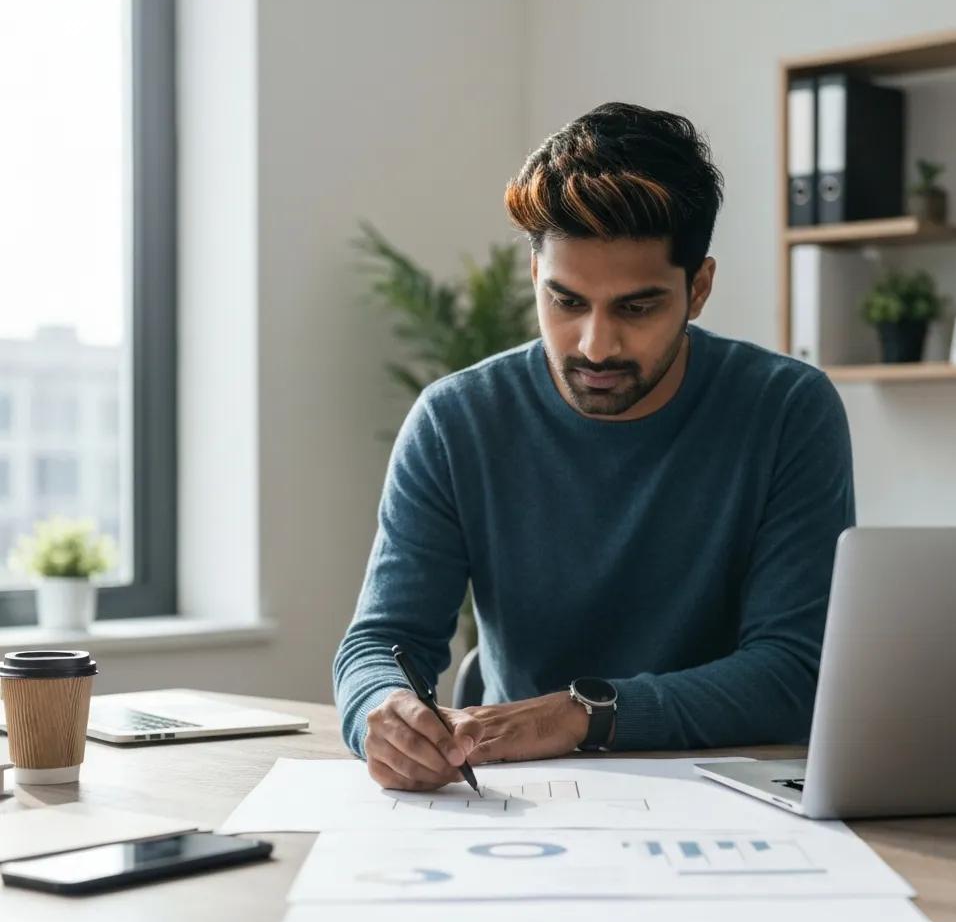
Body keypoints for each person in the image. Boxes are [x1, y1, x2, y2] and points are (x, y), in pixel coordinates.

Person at [334, 101, 855, 791]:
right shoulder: (456, 421)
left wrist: (583, 714)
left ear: (698, 289)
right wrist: (383, 711)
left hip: (736, 793)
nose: (594, 346)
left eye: (636, 308)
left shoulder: (787, 410)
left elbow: (795, 671)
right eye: (566, 301)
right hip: (519, 799)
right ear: (534, 279)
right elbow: (380, 643)